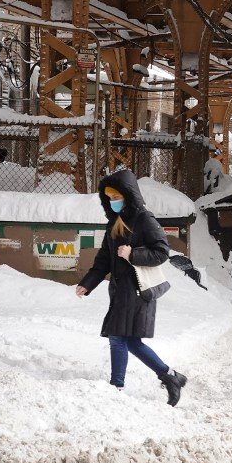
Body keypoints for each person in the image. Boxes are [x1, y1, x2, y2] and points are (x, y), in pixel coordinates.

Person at [75, 169, 188, 406]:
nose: (113, 202)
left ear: (128, 195)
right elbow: (104, 259)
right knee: (130, 341)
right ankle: (170, 376)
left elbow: (161, 251)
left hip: (138, 290)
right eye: (109, 198)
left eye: (117, 197)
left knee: (118, 337)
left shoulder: (144, 219)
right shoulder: (114, 223)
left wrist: (133, 253)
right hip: (120, 289)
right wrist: (88, 283)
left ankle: (116, 387)